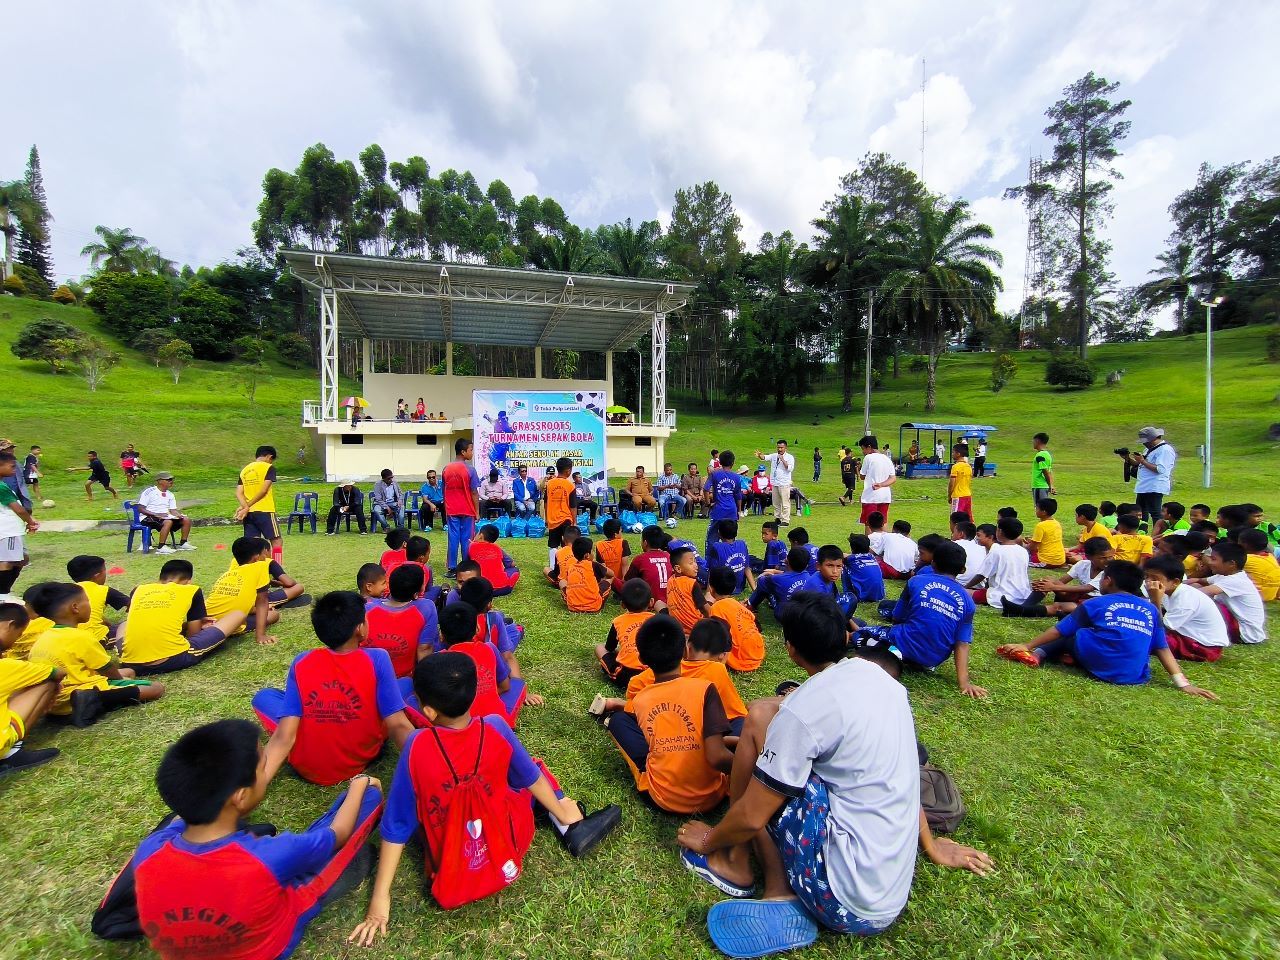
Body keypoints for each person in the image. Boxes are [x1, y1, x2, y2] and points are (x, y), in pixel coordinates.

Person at [675, 592, 920, 945]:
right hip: (888, 894)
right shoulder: (885, 682)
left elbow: (753, 816)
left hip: (842, 901)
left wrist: (709, 838)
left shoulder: (802, 711)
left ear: (790, 649)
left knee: (766, 759)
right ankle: (744, 860)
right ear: (845, 637)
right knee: (763, 716)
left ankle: (745, 869)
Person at [347, 655, 619, 934]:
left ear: (427, 711)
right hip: (507, 845)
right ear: (474, 692)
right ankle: (565, 822)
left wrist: (380, 897)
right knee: (533, 768)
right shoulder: (495, 726)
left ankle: (558, 816)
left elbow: (397, 825)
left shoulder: (417, 746)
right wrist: (563, 809)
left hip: (449, 863)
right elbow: (531, 779)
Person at [127, 719, 382, 959]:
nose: (267, 770)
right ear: (240, 796)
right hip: (269, 946)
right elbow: (339, 834)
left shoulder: (149, 849)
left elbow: (177, 822)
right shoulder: (272, 854)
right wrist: (359, 784)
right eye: (263, 767)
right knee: (366, 804)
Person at [253, 590, 415, 785]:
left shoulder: (302, 660)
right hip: (359, 758)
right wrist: (424, 765)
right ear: (360, 629)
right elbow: (397, 724)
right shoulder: (378, 658)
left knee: (264, 697)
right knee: (405, 684)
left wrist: (257, 786)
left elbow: (284, 736)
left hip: (306, 765)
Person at [996, 561, 1219, 700]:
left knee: (1075, 633)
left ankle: (1038, 655)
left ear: (1108, 581)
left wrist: (1028, 644)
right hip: (1133, 675)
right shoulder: (1151, 609)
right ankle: (1056, 655)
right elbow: (1161, 647)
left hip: (1101, 665)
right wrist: (1183, 683)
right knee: (1087, 632)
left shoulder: (1094, 604)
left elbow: (1059, 631)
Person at [603, 614, 734, 813]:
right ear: (685, 651)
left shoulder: (640, 699)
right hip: (713, 797)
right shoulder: (706, 688)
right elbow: (717, 757)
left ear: (641, 659)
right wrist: (749, 766)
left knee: (618, 721)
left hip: (662, 798)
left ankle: (652, 771)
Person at [853, 541, 986, 698]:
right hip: (932, 660)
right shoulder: (968, 601)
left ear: (933, 563)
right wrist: (964, 683)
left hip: (902, 645)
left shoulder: (916, 581)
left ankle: (888, 649)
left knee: (860, 633)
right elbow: (962, 643)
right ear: (962, 570)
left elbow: (897, 618)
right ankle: (911, 659)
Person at [28, 583, 166, 726]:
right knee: (155, 688)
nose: (89, 605)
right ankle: (95, 702)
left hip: (53, 702)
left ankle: (83, 704)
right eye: (87, 601)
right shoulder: (80, 637)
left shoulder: (44, 638)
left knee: (129, 672)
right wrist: (121, 683)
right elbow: (108, 671)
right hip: (81, 694)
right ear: (75, 608)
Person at [120, 559, 250, 674]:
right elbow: (194, 634)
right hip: (171, 659)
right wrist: (202, 626)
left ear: (159, 579)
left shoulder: (138, 589)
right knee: (237, 614)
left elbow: (146, 620)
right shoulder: (192, 590)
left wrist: (187, 625)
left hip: (129, 662)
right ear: (189, 581)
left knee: (123, 624)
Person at [0, 602, 61, 774]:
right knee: (46, 682)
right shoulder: (6, 666)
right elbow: (57, 673)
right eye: (18, 635)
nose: (14, 644)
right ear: (10, 625)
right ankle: (10, 754)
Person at [1143, 556, 1230, 662]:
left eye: (1154, 578)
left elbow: (1162, 628)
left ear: (1175, 582)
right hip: (1185, 635)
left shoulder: (1186, 599)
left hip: (1204, 647)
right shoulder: (1168, 591)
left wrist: (1155, 600)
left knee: (1145, 637)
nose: (1148, 581)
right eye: (1146, 576)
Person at [364, 564, 440, 680]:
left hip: (368, 676)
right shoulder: (426, 608)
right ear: (416, 593)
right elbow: (424, 649)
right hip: (404, 679)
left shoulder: (367, 607)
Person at [206, 536, 280, 647]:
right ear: (256, 558)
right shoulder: (260, 566)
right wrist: (261, 635)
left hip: (206, 618)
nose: (265, 556)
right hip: (226, 623)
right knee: (274, 615)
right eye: (263, 554)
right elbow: (262, 602)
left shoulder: (227, 574)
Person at [1191, 540, 1267, 644]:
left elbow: (1197, 594)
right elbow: (1199, 581)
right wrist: (1188, 582)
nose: (1209, 562)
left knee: (1204, 602)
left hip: (1244, 633)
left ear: (1231, 564)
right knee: (1196, 588)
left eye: (1213, 559)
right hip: (1236, 623)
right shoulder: (1225, 575)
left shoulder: (1235, 581)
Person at [597, 578, 655, 688]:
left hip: (626, 676)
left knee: (599, 648)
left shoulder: (618, 621)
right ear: (651, 602)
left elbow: (609, 648)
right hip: (654, 675)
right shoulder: (657, 620)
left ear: (622, 604)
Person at [966, 518, 1033, 610]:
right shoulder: (1023, 551)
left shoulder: (997, 551)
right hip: (1022, 595)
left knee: (963, 592)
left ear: (999, 531)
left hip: (1001, 595)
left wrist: (965, 586)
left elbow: (981, 575)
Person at [707, 566, 766, 672]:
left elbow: (723, 639)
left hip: (742, 661)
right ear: (734, 588)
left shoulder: (716, 609)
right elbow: (758, 627)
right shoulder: (738, 605)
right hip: (757, 653)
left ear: (711, 589)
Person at [67, 554, 129, 647]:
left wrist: (107, 623)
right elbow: (133, 604)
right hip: (96, 638)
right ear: (97, 575)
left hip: (69, 637)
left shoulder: (66, 590)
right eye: (105, 571)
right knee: (126, 625)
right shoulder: (103, 590)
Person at [234, 445, 281, 565]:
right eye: (271, 459)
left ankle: (253, 570)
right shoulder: (268, 467)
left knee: (253, 544)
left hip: (249, 514)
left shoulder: (245, 470)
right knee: (276, 541)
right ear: (269, 457)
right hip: (265, 510)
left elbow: (239, 492)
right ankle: (277, 569)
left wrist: (245, 507)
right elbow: (263, 491)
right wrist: (247, 506)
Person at [0, 452, 37, 600]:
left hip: (12, 529)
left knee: (22, 559)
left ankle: (4, 592)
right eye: (12, 466)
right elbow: (18, 509)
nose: (14, 470)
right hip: (8, 530)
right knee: (7, 561)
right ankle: (2, 594)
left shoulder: (3, 484)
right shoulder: (1, 487)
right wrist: (30, 521)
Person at [443, 438, 481, 575]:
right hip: (467, 509)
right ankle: (465, 568)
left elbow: (444, 490)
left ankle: (452, 568)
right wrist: (477, 512)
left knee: (453, 538)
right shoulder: (470, 469)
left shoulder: (446, 469)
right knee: (467, 539)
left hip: (452, 509)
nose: (472, 453)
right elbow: (474, 492)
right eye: (471, 450)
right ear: (463, 452)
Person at [1131, 426, 1177, 530]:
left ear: (1153, 438)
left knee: (1155, 512)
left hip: (1155, 485)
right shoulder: (1148, 449)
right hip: (1144, 485)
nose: (1144, 443)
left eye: (1145, 441)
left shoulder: (1165, 450)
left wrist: (1142, 461)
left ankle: (1159, 533)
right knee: (1141, 512)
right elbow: (1140, 464)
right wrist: (1128, 458)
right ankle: (1142, 532)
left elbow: (1160, 469)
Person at [137, 472, 195, 554]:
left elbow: (173, 510)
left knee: (186, 520)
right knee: (168, 522)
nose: (171, 481)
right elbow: (140, 508)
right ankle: (161, 547)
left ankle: (183, 543)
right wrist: (155, 514)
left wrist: (178, 515)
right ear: (160, 481)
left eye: (171, 479)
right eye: (168, 480)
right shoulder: (149, 492)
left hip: (164, 517)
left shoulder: (170, 494)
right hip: (148, 517)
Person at [747, 546, 811, 619]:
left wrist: (765, 575)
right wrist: (776, 572)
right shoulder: (808, 576)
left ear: (787, 560)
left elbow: (761, 581)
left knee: (764, 585)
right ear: (806, 565)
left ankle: (750, 604)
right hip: (802, 614)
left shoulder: (777, 579)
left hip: (784, 615)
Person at [621, 525, 673, 604]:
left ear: (645, 543)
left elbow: (628, 581)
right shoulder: (669, 556)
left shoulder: (640, 559)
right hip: (670, 600)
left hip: (647, 601)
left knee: (614, 580)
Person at [704, 451, 743, 556]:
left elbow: (706, 488)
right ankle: (730, 559)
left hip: (718, 511)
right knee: (730, 539)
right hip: (731, 511)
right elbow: (738, 496)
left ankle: (709, 562)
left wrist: (708, 503)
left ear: (720, 462)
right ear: (733, 463)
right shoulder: (736, 477)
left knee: (712, 539)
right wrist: (739, 511)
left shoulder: (715, 474)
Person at [559, 537, 610, 613]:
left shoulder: (571, 567)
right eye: (592, 551)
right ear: (587, 555)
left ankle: (575, 600)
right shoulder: (593, 565)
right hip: (594, 606)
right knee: (609, 580)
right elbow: (611, 573)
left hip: (573, 606)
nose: (593, 553)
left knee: (562, 582)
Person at [667, 546, 711, 634]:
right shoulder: (691, 583)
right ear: (678, 568)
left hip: (677, 628)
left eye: (695, 561)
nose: (696, 565)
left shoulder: (670, 581)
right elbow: (706, 609)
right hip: (696, 628)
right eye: (691, 563)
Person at [469, 523, 520, 595]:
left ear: (481, 536)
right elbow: (512, 564)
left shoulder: (471, 546)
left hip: (482, 589)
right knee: (515, 570)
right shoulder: (497, 548)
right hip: (503, 589)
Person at [754, 440, 797, 525]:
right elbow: (764, 457)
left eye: (781, 447)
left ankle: (785, 520)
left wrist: (783, 460)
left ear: (785, 448)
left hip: (784, 483)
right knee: (776, 502)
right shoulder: (774, 456)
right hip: (775, 482)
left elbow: (789, 468)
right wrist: (759, 455)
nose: (780, 449)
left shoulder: (789, 457)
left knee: (785, 502)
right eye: (778, 447)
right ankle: (777, 518)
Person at [858, 435, 895, 526]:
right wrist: (881, 484)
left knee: (869, 523)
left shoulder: (868, 458)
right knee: (882, 523)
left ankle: (869, 540)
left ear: (869, 447)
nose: (863, 452)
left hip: (871, 496)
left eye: (863, 449)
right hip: (885, 496)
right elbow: (893, 478)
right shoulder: (886, 458)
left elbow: (862, 476)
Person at [707, 519, 749, 595]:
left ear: (719, 533)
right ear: (736, 533)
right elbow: (747, 568)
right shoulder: (742, 544)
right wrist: (755, 589)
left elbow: (712, 571)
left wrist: (708, 592)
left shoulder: (717, 547)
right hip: (740, 587)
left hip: (723, 589)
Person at [844, 534, 886, 604]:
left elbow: (841, 556)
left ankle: (848, 593)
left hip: (862, 596)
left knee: (842, 566)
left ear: (852, 548)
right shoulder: (871, 556)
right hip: (879, 595)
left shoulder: (850, 559)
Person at [1240, 528, 1280, 601]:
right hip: (1271, 595)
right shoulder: (1271, 556)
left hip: (1256, 596)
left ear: (1244, 544)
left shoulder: (1246, 559)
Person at [1026, 497, 1066, 568]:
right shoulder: (1057, 523)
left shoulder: (1041, 526)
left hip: (1046, 561)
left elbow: (1033, 547)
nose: (1035, 510)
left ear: (1044, 512)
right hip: (1061, 560)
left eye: (1037, 508)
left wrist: (1023, 547)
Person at [595, 517, 631, 583]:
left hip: (607, 580)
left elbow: (602, 567)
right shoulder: (623, 542)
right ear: (615, 534)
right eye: (620, 530)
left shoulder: (599, 545)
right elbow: (625, 564)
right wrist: (624, 581)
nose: (621, 532)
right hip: (620, 579)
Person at [948, 444, 973, 519]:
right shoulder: (968, 466)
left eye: (953, 452)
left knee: (955, 518)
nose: (952, 454)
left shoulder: (956, 466)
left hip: (958, 495)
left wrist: (949, 496)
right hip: (967, 495)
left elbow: (952, 483)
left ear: (958, 454)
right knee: (968, 518)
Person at [1031, 433, 1055, 507]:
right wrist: (1051, 485)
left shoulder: (1040, 455)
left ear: (1038, 441)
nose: (1033, 443)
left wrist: (1050, 485)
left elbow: (1045, 471)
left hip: (1039, 485)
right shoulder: (1047, 454)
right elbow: (1049, 471)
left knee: (1040, 508)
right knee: (1043, 507)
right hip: (1043, 486)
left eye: (1033, 441)